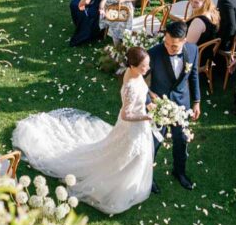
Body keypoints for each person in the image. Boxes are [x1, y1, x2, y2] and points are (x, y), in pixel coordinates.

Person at [12, 46, 156, 214]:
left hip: (138, 124)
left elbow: (142, 91)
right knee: (131, 155)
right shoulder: (130, 84)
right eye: (144, 66)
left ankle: (134, 186)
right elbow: (125, 114)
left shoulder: (135, 75)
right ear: (132, 65)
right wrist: (146, 117)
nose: (147, 69)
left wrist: (151, 99)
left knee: (137, 155)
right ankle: (118, 187)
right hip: (132, 125)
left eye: (147, 64)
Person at [148, 22, 201, 190]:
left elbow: (193, 76)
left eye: (174, 46)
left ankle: (179, 172)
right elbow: (141, 81)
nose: (169, 47)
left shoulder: (193, 50)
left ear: (185, 40)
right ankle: (147, 177)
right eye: (167, 43)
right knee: (154, 142)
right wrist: (150, 97)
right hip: (159, 106)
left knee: (181, 140)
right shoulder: (153, 54)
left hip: (181, 104)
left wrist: (197, 101)